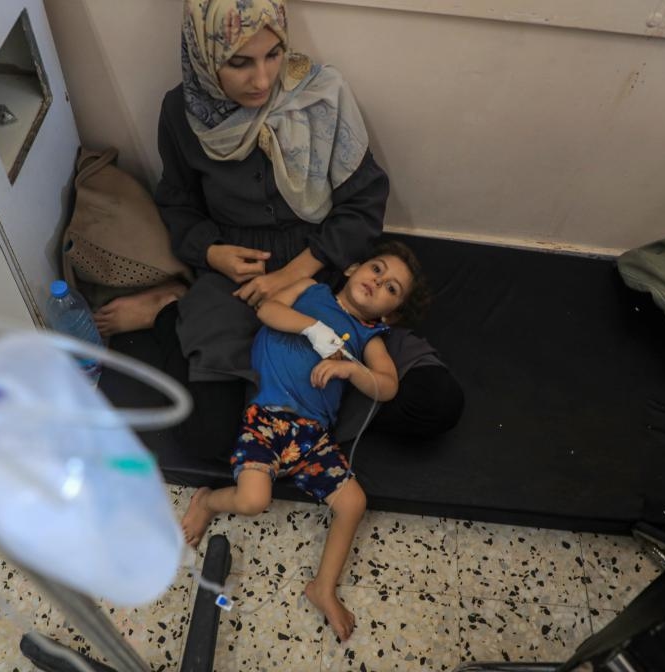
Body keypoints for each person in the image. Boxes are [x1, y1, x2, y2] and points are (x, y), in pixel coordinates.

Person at [94, 0, 462, 459]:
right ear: (205, 56)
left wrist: (296, 274)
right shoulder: (181, 113)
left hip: (326, 269)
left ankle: (280, 398)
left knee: (436, 403)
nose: (263, 80)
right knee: (206, 443)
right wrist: (212, 253)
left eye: (273, 55)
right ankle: (170, 311)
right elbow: (177, 202)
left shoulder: (322, 96)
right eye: (239, 62)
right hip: (235, 280)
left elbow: (363, 206)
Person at [180, 241, 428, 641]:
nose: (378, 282)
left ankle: (322, 588)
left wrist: (350, 371)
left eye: (391, 288)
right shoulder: (311, 290)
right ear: (352, 268)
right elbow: (267, 310)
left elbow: (387, 386)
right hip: (268, 417)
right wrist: (314, 328)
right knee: (252, 501)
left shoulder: (370, 337)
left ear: (390, 313)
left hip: (312, 434)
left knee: (354, 502)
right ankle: (207, 500)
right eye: (377, 270)